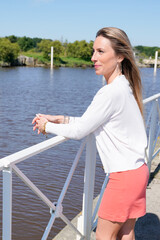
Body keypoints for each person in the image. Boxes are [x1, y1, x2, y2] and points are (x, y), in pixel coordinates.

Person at [32, 27, 149, 240]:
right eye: (93, 51)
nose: (93, 57)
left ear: (120, 56)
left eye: (101, 52)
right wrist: (61, 119)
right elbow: (93, 123)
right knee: (126, 233)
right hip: (138, 171)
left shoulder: (110, 92)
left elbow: (80, 131)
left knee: (103, 237)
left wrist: (46, 126)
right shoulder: (124, 86)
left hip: (123, 178)